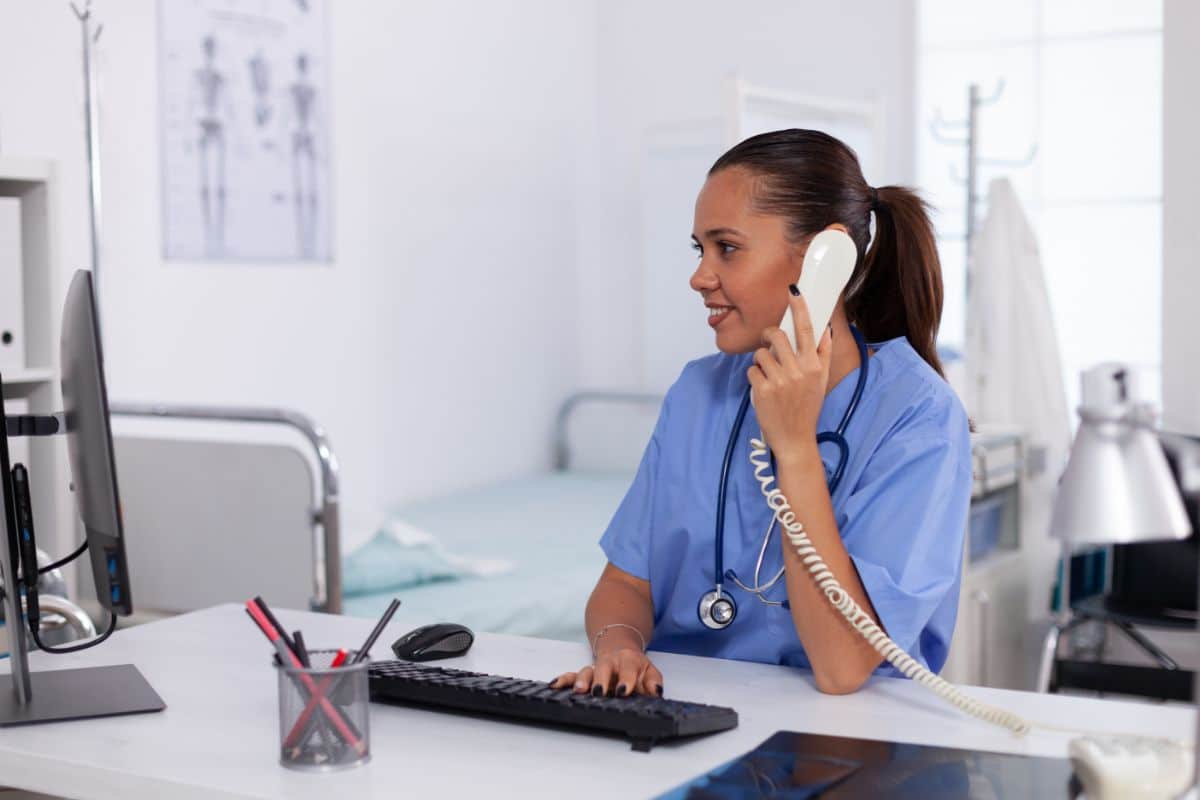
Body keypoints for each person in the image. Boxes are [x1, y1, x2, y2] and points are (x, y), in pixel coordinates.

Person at [550, 129, 971, 698]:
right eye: (700, 249)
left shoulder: (917, 416)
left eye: (727, 247)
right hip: (684, 717)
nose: (700, 276)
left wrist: (794, 446)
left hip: (843, 740)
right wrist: (620, 647)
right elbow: (626, 583)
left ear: (826, 257)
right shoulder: (699, 392)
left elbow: (842, 668)